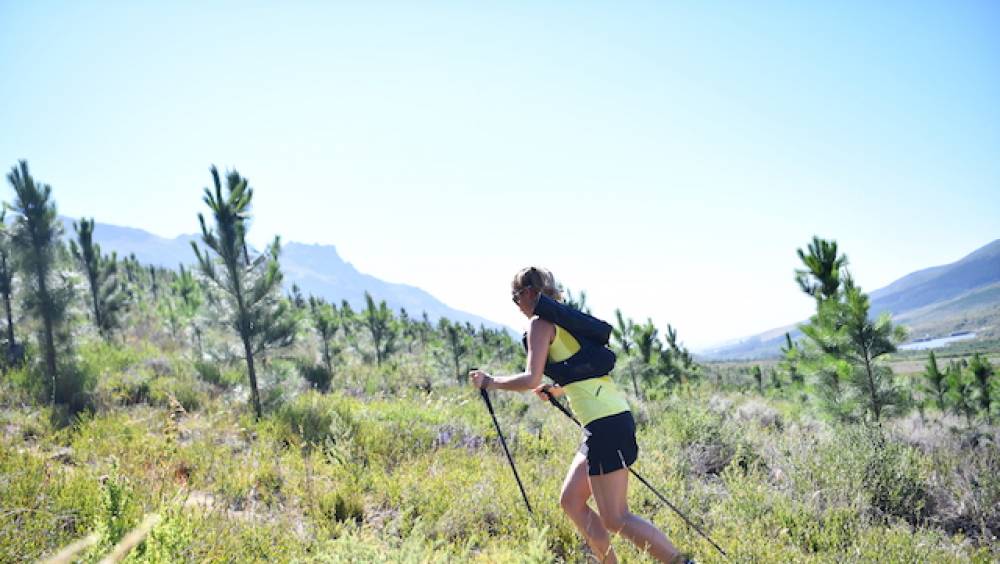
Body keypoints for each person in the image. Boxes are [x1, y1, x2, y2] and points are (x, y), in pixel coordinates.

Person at [470, 266, 689, 564]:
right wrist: (558, 389)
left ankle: (682, 562)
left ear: (530, 292)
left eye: (515, 296)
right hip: (607, 420)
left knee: (616, 516)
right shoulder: (565, 321)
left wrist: (491, 382)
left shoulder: (540, 323)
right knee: (572, 500)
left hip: (604, 424)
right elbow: (581, 369)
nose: (515, 303)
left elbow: (530, 379)